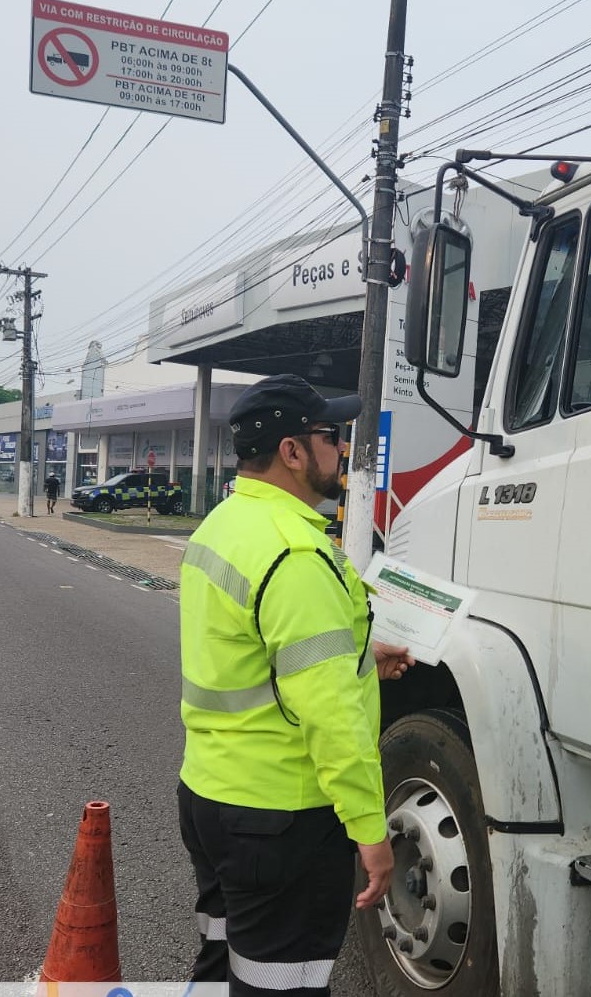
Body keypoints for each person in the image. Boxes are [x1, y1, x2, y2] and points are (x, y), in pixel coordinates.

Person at [177, 374, 414, 996]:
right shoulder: (295, 555)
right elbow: (330, 715)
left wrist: (359, 657)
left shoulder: (220, 527)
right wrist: (370, 830)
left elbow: (247, 653)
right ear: (292, 451)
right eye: (330, 435)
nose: (341, 448)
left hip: (208, 795)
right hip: (281, 817)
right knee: (282, 984)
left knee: (222, 961)